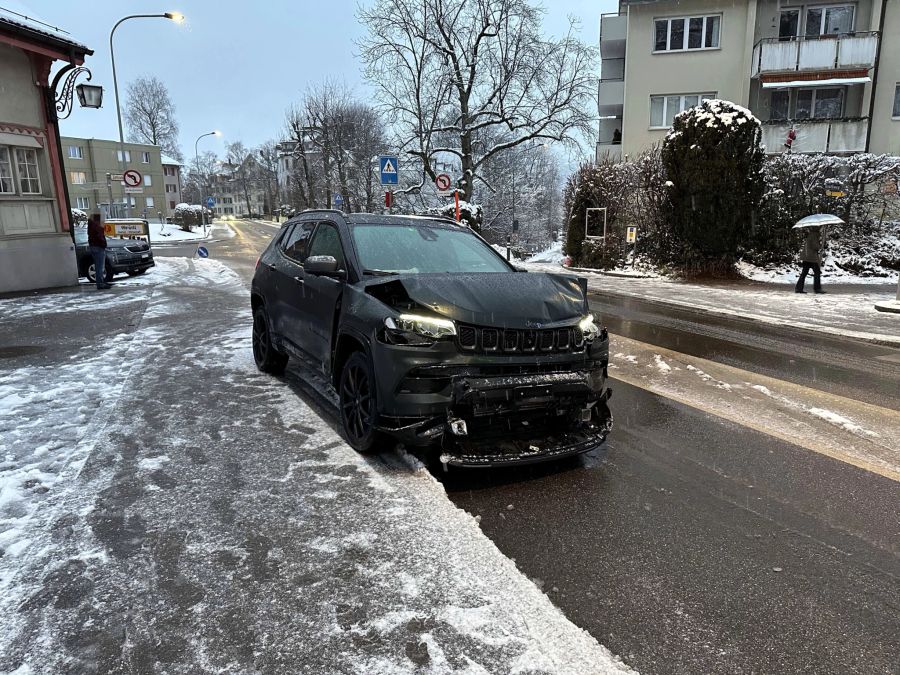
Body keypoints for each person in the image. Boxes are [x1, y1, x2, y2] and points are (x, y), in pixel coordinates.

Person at [795, 226, 824, 294]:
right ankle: (817, 289)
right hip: (811, 257)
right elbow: (815, 246)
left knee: (804, 273)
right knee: (817, 272)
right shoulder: (814, 235)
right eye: (821, 228)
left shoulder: (811, 234)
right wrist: (820, 246)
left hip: (807, 257)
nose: (821, 230)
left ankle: (798, 288)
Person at [87, 213, 112, 289]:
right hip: (98, 247)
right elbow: (100, 236)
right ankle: (100, 284)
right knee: (100, 267)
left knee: (98, 266)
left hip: (93, 246)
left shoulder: (90, 225)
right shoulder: (97, 226)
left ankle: (100, 283)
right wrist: (104, 244)